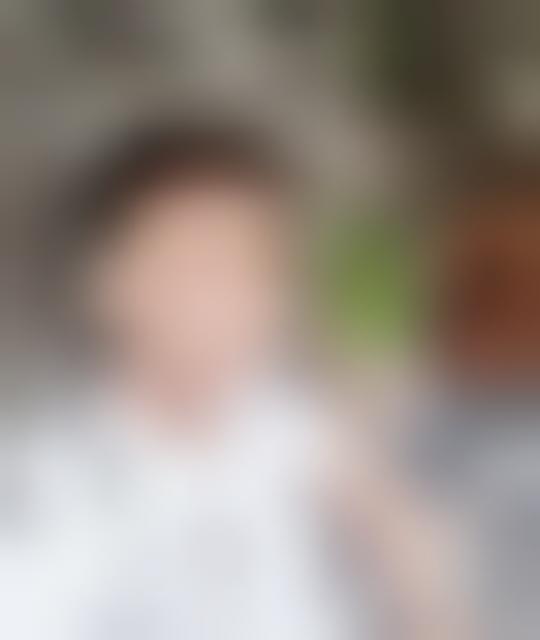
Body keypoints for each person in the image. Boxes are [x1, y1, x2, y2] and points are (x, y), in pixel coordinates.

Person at [0, 121, 463, 640]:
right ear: (106, 283)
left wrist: (418, 584)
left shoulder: (285, 427)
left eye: (260, 267)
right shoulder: (44, 493)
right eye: (200, 263)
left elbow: (417, 574)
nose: (237, 299)